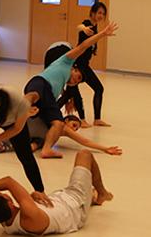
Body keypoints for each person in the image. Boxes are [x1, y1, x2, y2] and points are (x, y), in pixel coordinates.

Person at [0, 150, 113, 235]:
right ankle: (102, 193)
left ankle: (91, 196)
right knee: (84, 155)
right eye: (2, 195)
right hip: (74, 203)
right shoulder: (29, 214)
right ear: (9, 203)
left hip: (59, 201)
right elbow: (8, 181)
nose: (4, 193)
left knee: (83, 191)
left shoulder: (6, 223)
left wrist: (32, 197)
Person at [26, 23, 118, 159]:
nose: (75, 81)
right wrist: (102, 34)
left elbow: (83, 141)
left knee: (57, 123)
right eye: (78, 77)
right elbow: (84, 45)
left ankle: (46, 149)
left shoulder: (60, 89)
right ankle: (22, 107)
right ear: (74, 69)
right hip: (40, 83)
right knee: (33, 95)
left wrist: (105, 149)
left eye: (78, 82)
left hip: (47, 99)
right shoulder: (65, 62)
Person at [0, 115, 122, 156]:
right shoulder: (58, 124)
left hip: (27, 138)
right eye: (73, 125)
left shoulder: (58, 133)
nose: (73, 130)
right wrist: (105, 149)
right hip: (18, 128)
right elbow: (85, 141)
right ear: (65, 120)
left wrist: (106, 148)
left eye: (76, 128)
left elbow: (84, 140)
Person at [63, 2, 110, 127]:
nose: (101, 15)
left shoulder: (95, 28)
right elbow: (79, 26)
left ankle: (97, 119)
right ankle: (82, 119)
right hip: (78, 65)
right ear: (93, 12)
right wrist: (83, 29)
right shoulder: (88, 24)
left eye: (103, 14)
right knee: (71, 92)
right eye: (99, 12)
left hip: (84, 65)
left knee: (97, 89)